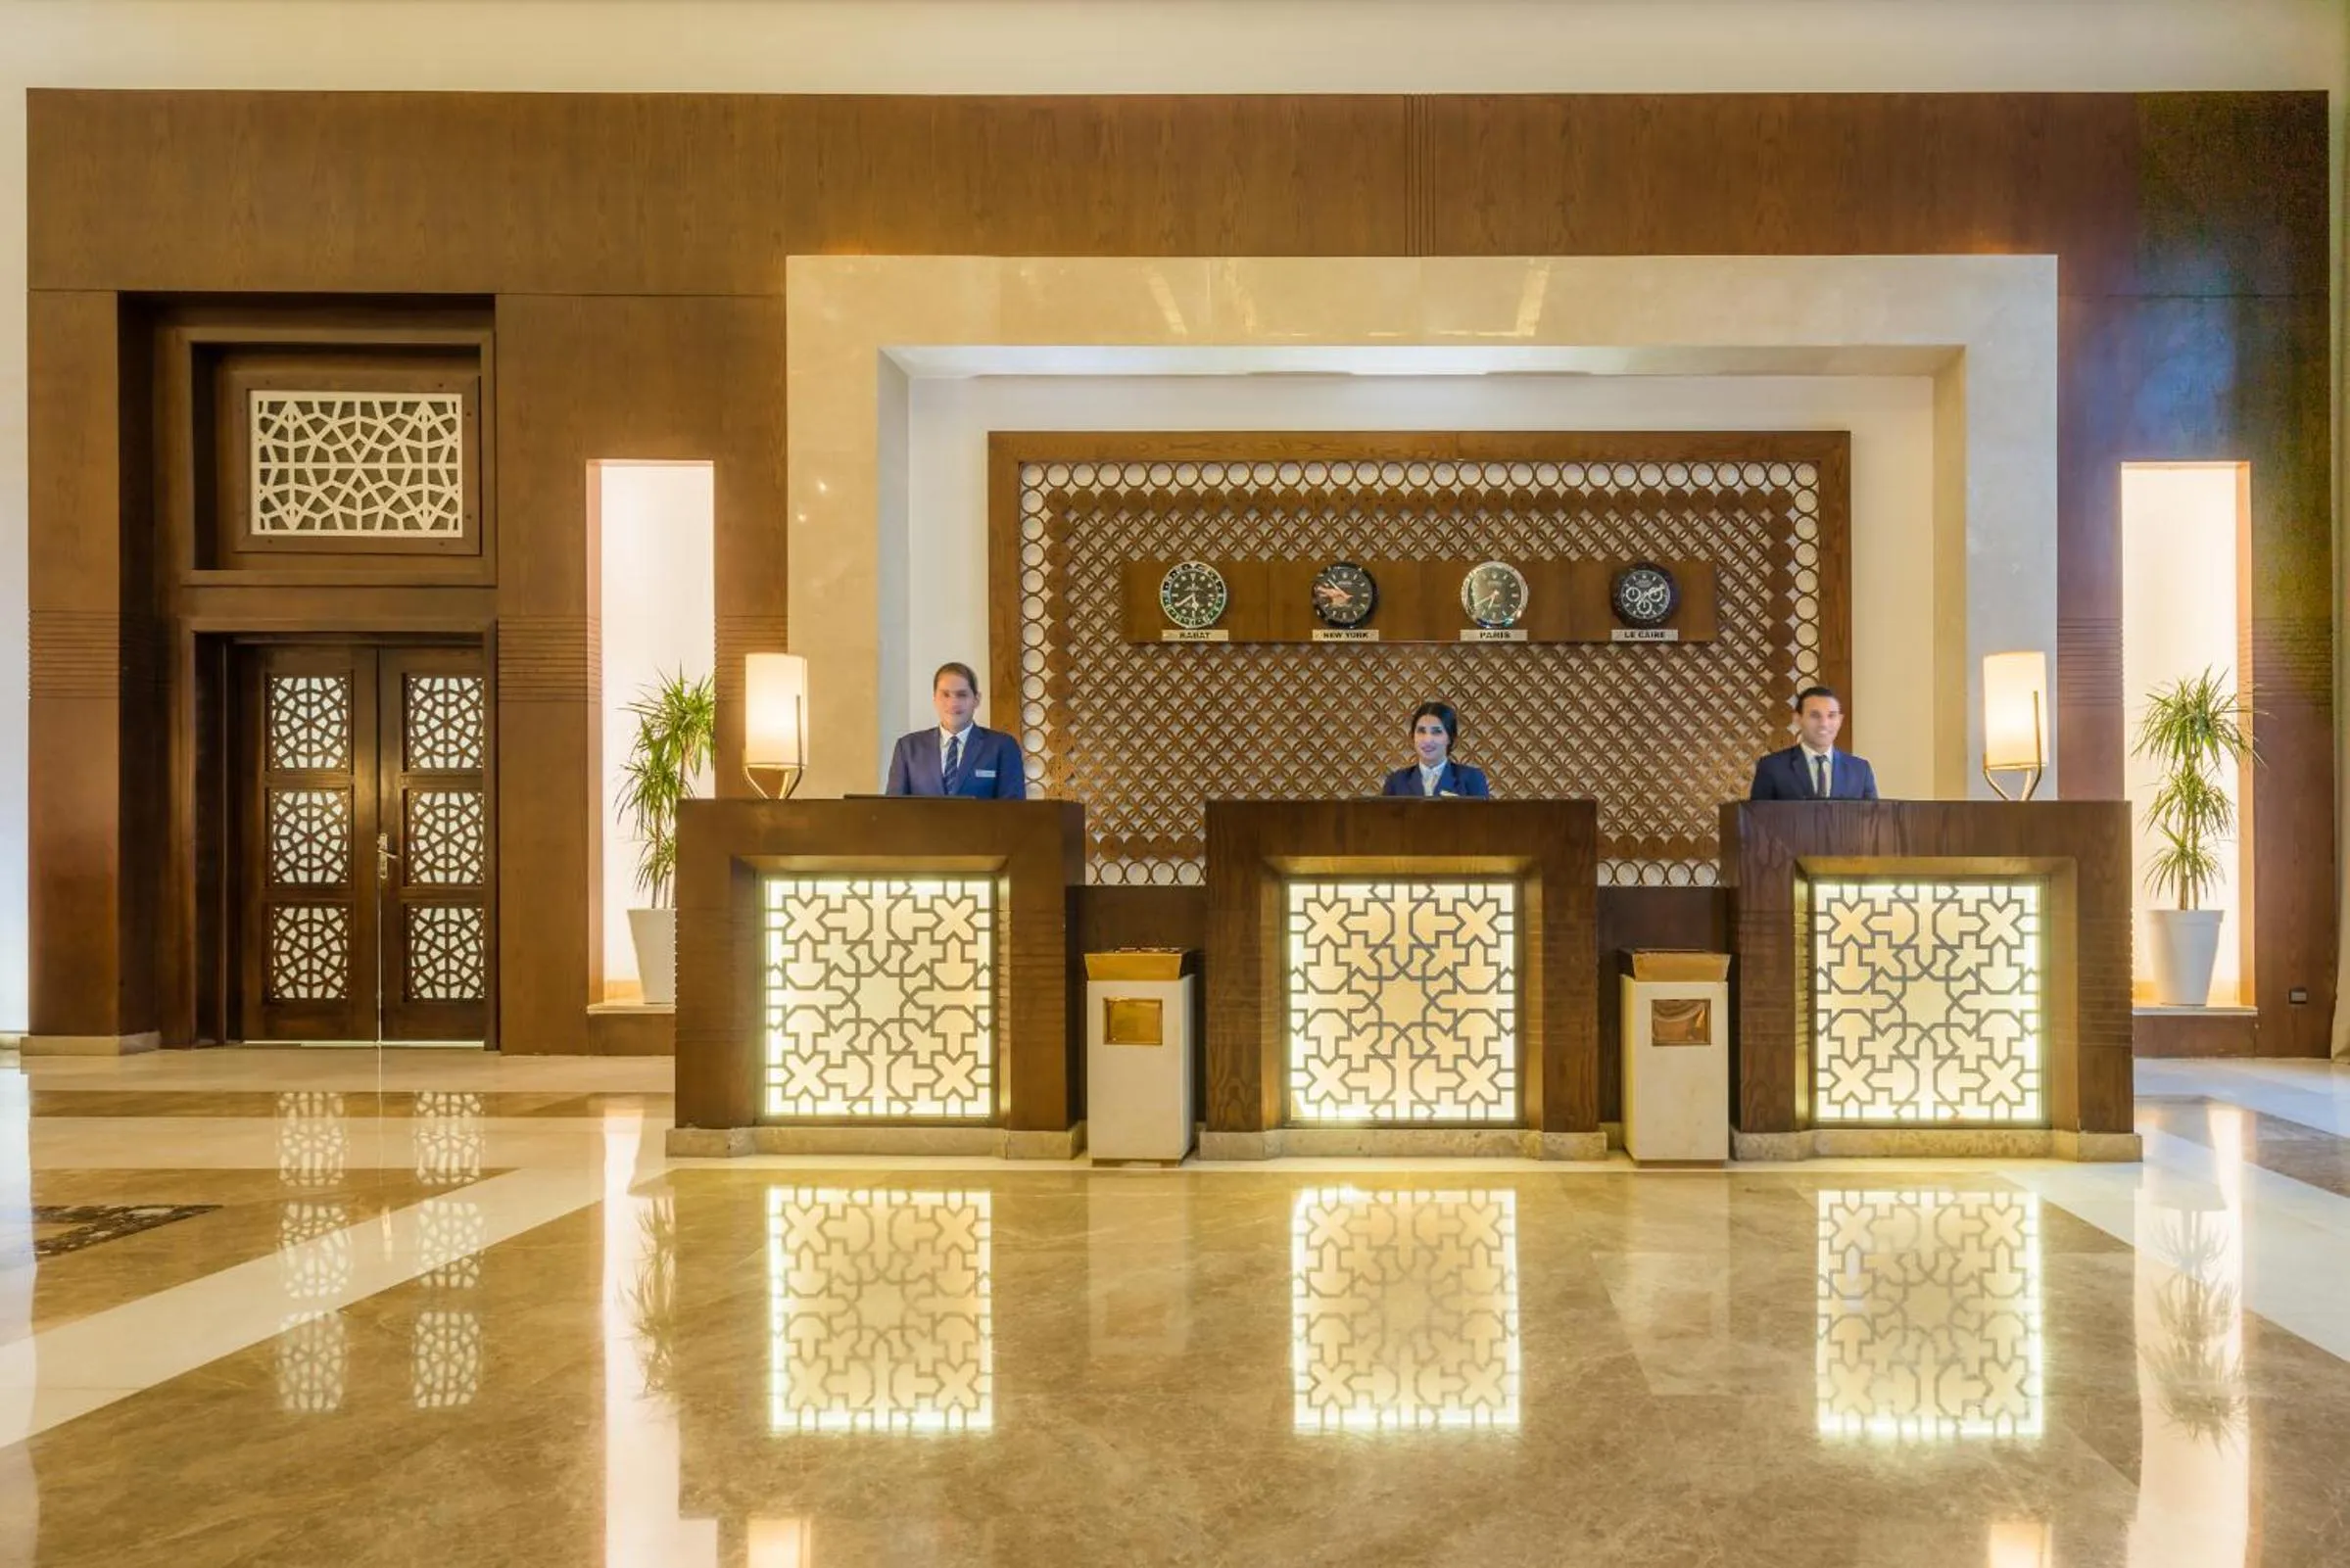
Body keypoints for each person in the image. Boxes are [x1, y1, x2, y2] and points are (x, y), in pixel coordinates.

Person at [884, 662, 1029, 798]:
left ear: (976, 699)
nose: (953, 703)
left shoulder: (1002, 746)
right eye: (945, 695)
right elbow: (894, 810)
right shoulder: (908, 748)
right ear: (934, 699)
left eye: (962, 695)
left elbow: (1012, 812)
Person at [1749, 685, 1879, 800]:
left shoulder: (1860, 770)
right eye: (1815, 715)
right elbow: (1758, 822)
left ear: (1840, 720)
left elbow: (1872, 821)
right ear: (1798, 719)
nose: (1824, 724)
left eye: (1831, 715)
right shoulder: (1772, 767)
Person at [1381, 701, 1491, 798]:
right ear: (1412, 736)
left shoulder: (1472, 778)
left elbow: (1483, 820)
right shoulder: (1396, 781)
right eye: (1421, 731)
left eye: (1436, 732)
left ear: (1450, 738)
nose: (1428, 740)